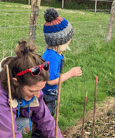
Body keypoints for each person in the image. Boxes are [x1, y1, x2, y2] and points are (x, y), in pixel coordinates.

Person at [30, 8, 82, 137]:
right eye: (68, 38)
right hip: (47, 96)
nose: (70, 40)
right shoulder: (52, 57)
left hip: (48, 94)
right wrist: (70, 74)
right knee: (44, 122)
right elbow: (50, 80)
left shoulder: (53, 54)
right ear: (61, 40)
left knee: (45, 121)